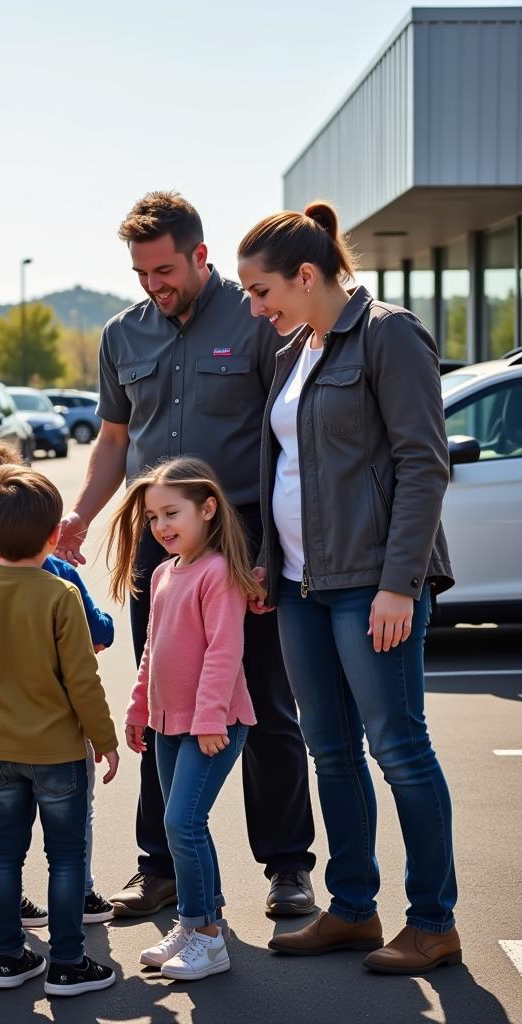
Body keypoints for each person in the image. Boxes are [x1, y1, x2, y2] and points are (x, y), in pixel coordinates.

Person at [57, 191, 316, 918]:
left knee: (264, 703)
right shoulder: (122, 335)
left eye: (165, 270)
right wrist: (80, 516)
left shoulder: (256, 319)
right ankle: (161, 866)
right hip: (157, 544)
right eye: (142, 273)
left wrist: (269, 548)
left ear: (201, 255)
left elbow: (283, 437)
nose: (154, 285)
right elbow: (113, 442)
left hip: (239, 538)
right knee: (166, 702)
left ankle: (288, 865)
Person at [236, 201, 460, 974]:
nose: (256, 308)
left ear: (307, 275)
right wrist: (268, 558)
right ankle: (355, 909)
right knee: (330, 751)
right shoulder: (297, 350)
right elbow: (286, 468)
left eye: (263, 292)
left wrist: (401, 584)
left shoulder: (388, 334)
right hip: (301, 584)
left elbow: (423, 464)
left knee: (398, 748)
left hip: (373, 584)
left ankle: (433, 922)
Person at [0, 464, 120, 997]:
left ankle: (5, 958)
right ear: (52, 536)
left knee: (4, 851)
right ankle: (68, 963)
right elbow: (83, 680)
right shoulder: (59, 595)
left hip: (0, 752)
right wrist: (107, 741)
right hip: (59, 753)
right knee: (65, 856)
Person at [107, 456, 259, 981]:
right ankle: (198, 922)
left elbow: (224, 651)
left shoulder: (218, 573)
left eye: (171, 513)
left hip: (212, 726)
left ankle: (208, 938)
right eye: (152, 518)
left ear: (208, 509)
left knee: (181, 823)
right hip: (169, 724)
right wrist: (137, 708)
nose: (161, 527)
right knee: (186, 826)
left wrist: (212, 718)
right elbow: (152, 647)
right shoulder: (167, 574)